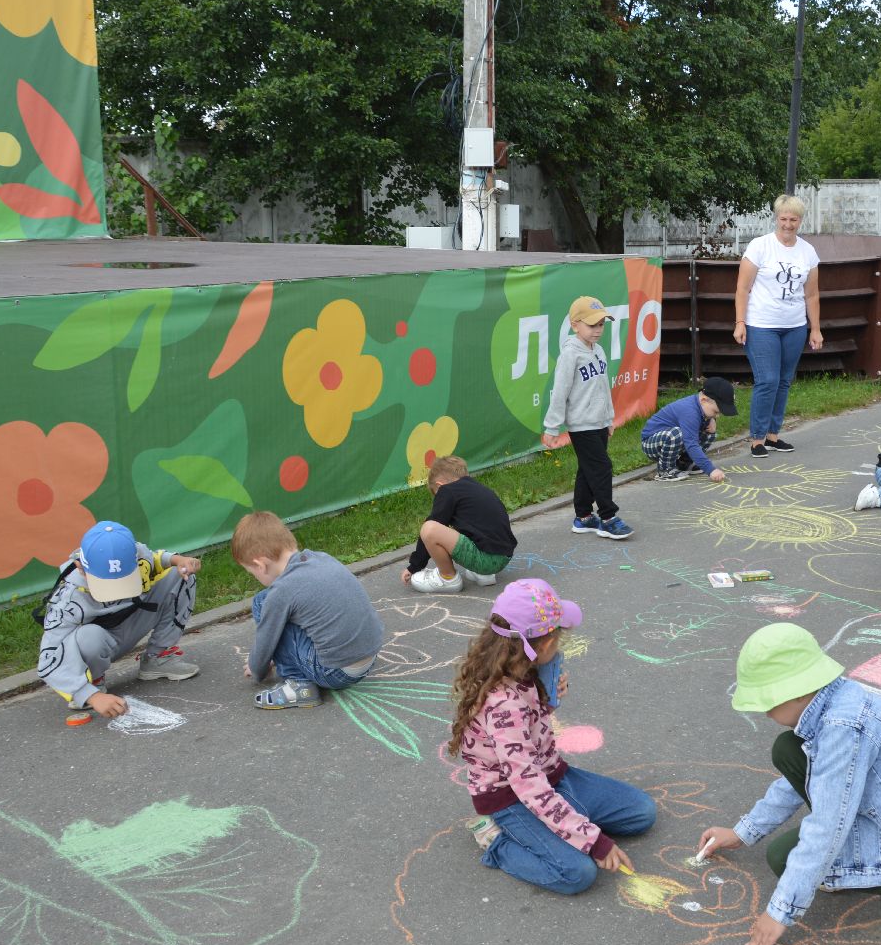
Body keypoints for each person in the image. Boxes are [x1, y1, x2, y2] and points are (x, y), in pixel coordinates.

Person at [696, 622, 881, 945]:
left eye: (767, 703)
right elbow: (805, 780)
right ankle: (866, 866)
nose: (765, 713)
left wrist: (779, 911)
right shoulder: (831, 698)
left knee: (786, 860)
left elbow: (828, 825)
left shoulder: (842, 728)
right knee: (787, 750)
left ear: (793, 692)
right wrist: (743, 831)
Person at [449, 579, 656, 894]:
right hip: (512, 798)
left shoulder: (524, 669)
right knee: (577, 872)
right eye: (558, 640)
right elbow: (529, 787)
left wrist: (547, 694)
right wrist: (594, 841)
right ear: (543, 646)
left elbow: (534, 725)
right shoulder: (504, 706)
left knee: (642, 812)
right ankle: (496, 841)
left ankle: (566, 824)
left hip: (553, 777)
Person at [34, 520, 200, 719]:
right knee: (88, 635)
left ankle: (158, 657)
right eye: (105, 583)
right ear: (80, 567)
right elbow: (48, 658)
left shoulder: (136, 553)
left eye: (123, 579)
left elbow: (154, 559)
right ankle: (93, 682)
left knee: (182, 576)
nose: (116, 591)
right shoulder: (67, 599)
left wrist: (177, 559)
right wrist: (90, 696)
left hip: (133, 619)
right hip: (101, 640)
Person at [233, 511, 385, 709]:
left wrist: (257, 669)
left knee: (263, 602)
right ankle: (306, 671)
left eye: (252, 573)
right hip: (369, 657)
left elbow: (266, 639)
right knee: (273, 602)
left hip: (336, 673)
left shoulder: (283, 590)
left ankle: (298, 685)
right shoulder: (321, 558)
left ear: (260, 565)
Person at [734, 195, 822, 458]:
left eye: (793, 219)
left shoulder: (808, 252)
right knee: (767, 380)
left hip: (794, 325)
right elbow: (742, 288)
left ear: (800, 221)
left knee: (784, 381)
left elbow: (812, 294)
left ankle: (773, 435)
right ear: (776, 218)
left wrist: (815, 328)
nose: (788, 224)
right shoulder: (760, 246)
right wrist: (740, 322)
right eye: (783, 218)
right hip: (761, 324)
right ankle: (757, 438)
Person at [543, 295, 631, 540]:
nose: (598, 330)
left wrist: (609, 418)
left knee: (588, 468)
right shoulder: (570, 355)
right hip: (581, 424)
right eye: (592, 325)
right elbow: (559, 392)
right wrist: (552, 427)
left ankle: (583, 517)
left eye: (601, 325)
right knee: (601, 467)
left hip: (599, 421)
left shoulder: (599, 351)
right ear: (575, 325)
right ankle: (608, 517)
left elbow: (603, 387)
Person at [402, 455, 517, 593]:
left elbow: (433, 524)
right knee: (461, 527)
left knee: (429, 528)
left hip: (486, 559)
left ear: (439, 486)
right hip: (503, 556)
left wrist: (414, 566)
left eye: (436, 495)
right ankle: (482, 574)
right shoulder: (477, 489)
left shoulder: (447, 490)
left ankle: (448, 578)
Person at [640, 376, 735, 483]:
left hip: (672, 442)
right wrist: (710, 470)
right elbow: (691, 444)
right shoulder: (689, 412)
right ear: (704, 400)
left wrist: (711, 419)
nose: (717, 416)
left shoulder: (701, 407)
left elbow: (695, 433)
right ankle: (665, 471)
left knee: (709, 432)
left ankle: (685, 463)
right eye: (716, 412)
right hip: (651, 444)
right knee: (676, 434)